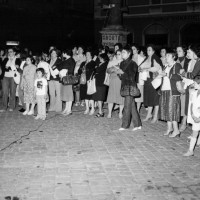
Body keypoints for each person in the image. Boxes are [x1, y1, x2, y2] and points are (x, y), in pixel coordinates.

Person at [116, 46, 142, 131]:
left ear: (129, 53)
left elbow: (132, 77)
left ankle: (125, 125)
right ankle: (138, 124)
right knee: (132, 106)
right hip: (125, 86)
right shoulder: (122, 63)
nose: (122, 54)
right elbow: (121, 77)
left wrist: (122, 73)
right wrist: (118, 73)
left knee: (127, 106)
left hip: (130, 87)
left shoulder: (133, 64)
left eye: (123, 52)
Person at [159, 50, 182, 137]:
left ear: (173, 57)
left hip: (173, 91)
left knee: (172, 110)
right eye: (166, 56)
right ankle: (169, 128)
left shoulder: (177, 65)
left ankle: (176, 130)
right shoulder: (165, 66)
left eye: (168, 55)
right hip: (165, 90)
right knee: (166, 110)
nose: (166, 57)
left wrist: (168, 75)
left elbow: (179, 76)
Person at [140, 44, 163, 123]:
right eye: (147, 50)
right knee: (149, 98)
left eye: (149, 50)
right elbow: (141, 66)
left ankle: (155, 116)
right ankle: (149, 115)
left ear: (153, 51)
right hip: (147, 80)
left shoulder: (155, 58)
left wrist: (146, 69)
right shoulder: (147, 58)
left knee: (155, 99)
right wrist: (140, 68)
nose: (148, 51)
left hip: (154, 81)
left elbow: (157, 68)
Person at [0, 47, 21, 112]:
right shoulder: (5, 59)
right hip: (5, 77)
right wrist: (11, 67)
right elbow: (3, 68)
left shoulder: (18, 59)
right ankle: (4, 107)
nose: (9, 53)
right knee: (5, 92)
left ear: (14, 52)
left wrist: (9, 67)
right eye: (8, 52)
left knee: (12, 92)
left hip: (13, 77)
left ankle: (11, 106)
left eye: (11, 51)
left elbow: (16, 68)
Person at [184, 79, 200, 156]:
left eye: (195, 83)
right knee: (194, 133)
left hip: (199, 117)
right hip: (195, 116)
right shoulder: (194, 92)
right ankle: (190, 150)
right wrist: (193, 115)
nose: (194, 84)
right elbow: (192, 105)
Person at [176, 45, 190, 132]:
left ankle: (184, 122)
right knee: (178, 103)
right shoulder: (175, 60)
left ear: (184, 52)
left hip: (184, 83)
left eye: (180, 51)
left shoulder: (188, 61)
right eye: (177, 51)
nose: (178, 53)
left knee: (185, 103)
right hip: (176, 84)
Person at [106, 49, 124, 119]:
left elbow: (123, 71)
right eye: (117, 54)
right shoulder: (112, 62)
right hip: (113, 80)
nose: (118, 55)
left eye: (119, 54)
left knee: (121, 97)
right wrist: (113, 69)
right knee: (111, 96)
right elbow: (108, 70)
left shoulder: (124, 62)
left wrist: (116, 68)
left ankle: (120, 112)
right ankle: (110, 113)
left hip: (120, 81)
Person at [78, 49, 96, 115]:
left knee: (90, 95)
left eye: (88, 54)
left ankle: (93, 108)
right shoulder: (83, 63)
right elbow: (79, 71)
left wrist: (86, 70)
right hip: (83, 80)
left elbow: (93, 71)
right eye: (86, 54)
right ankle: (87, 108)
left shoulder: (93, 63)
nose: (87, 56)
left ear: (91, 55)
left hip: (89, 80)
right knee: (85, 94)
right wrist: (81, 70)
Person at [58, 49, 75, 115]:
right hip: (64, 79)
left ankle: (69, 109)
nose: (62, 54)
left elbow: (71, 70)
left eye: (63, 53)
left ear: (65, 53)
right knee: (65, 94)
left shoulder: (71, 60)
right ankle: (66, 108)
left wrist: (64, 72)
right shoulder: (66, 60)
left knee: (69, 94)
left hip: (68, 79)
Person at [92, 53, 108, 117]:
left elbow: (97, 70)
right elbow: (94, 69)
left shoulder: (105, 64)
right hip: (98, 82)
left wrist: (96, 68)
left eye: (101, 58)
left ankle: (100, 112)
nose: (99, 59)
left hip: (101, 83)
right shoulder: (100, 63)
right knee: (98, 98)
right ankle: (100, 111)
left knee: (99, 98)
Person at [131, 44, 145, 112]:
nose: (133, 50)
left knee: (139, 92)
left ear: (137, 50)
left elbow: (144, 68)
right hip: (131, 77)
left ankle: (137, 109)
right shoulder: (130, 57)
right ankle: (133, 108)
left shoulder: (141, 58)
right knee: (132, 92)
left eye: (134, 49)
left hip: (139, 77)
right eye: (132, 49)